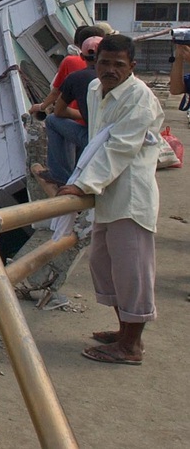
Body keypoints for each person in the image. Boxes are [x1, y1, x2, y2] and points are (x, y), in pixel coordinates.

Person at [58, 34, 164, 365]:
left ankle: (132, 346)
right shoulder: (93, 90)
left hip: (130, 195)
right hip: (105, 191)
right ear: (95, 62)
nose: (110, 70)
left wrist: (83, 184)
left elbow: (119, 147)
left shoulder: (139, 98)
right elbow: (96, 139)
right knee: (104, 266)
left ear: (132, 67)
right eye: (104, 62)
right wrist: (86, 180)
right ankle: (124, 331)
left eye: (119, 64)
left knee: (132, 271)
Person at [39, 35, 103, 185]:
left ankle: (61, 175)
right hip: (114, 136)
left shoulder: (75, 76)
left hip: (92, 136)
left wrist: (86, 115)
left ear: (82, 56)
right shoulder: (120, 78)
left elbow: (59, 111)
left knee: (53, 120)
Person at [28, 24, 106, 120]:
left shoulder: (71, 63)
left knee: (51, 120)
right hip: (105, 121)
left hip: (79, 120)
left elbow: (55, 92)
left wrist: (41, 107)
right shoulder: (112, 70)